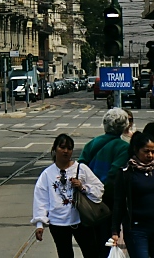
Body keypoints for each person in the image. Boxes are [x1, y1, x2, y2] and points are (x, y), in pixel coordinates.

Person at [32, 133, 104, 258]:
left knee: (91, 252)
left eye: (69, 148)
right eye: (62, 147)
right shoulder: (47, 174)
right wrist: (40, 224)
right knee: (64, 254)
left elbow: (99, 189)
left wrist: (83, 187)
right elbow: (41, 199)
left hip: (81, 219)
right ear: (55, 149)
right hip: (58, 223)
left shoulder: (81, 169)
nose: (66, 151)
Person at [83, 107, 133, 255]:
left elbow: (81, 166)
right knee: (106, 241)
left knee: (91, 242)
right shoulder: (124, 147)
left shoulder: (92, 143)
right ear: (125, 126)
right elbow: (114, 176)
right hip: (108, 202)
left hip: (87, 200)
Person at [113, 131, 154, 258]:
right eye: (146, 151)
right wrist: (115, 230)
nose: (150, 155)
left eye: (153, 152)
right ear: (136, 150)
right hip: (136, 228)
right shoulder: (126, 172)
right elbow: (119, 202)